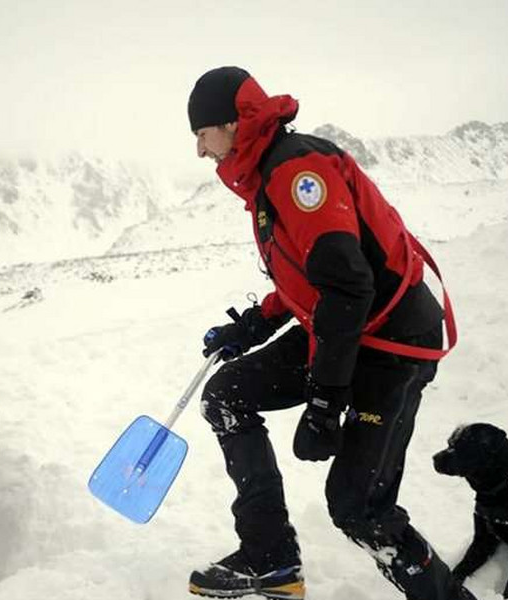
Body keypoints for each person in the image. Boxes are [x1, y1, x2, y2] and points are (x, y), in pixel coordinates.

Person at [185, 66, 473, 600]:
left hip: (393, 341)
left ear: (231, 124)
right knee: (226, 395)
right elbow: (315, 278)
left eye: (202, 134)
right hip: (346, 329)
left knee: (358, 507)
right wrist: (256, 323)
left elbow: (346, 283)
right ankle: (269, 559)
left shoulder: (296, 173)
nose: (200, 151)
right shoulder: (268, 176)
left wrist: (325, 399)